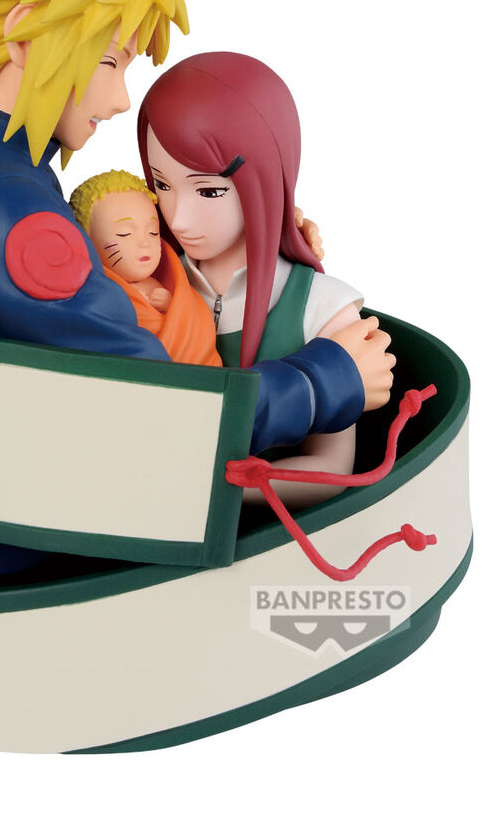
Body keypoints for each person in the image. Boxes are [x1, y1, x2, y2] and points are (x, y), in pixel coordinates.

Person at [0, 0, 393, 574]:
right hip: (7, 531)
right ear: (24, 34)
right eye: (108, 61)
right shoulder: (14, 216)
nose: (121, 99)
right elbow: (163, 415)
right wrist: (327, 378)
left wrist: (264, 221)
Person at [139, 51, 392, 507]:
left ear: (266, 179)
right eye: (162, 184)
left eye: (209, 190)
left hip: (272, 535)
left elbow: (331, 470)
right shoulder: (147, 284)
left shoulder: (322, 308)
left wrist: (195, 489)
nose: (178, 217)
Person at [69, 170, 220, 366]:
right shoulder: (91, 291)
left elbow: (190, 319)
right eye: (124, 234)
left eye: (153, 232)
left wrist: (168, 303)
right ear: (86, 240)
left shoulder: (173, 284)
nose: (144, 243)